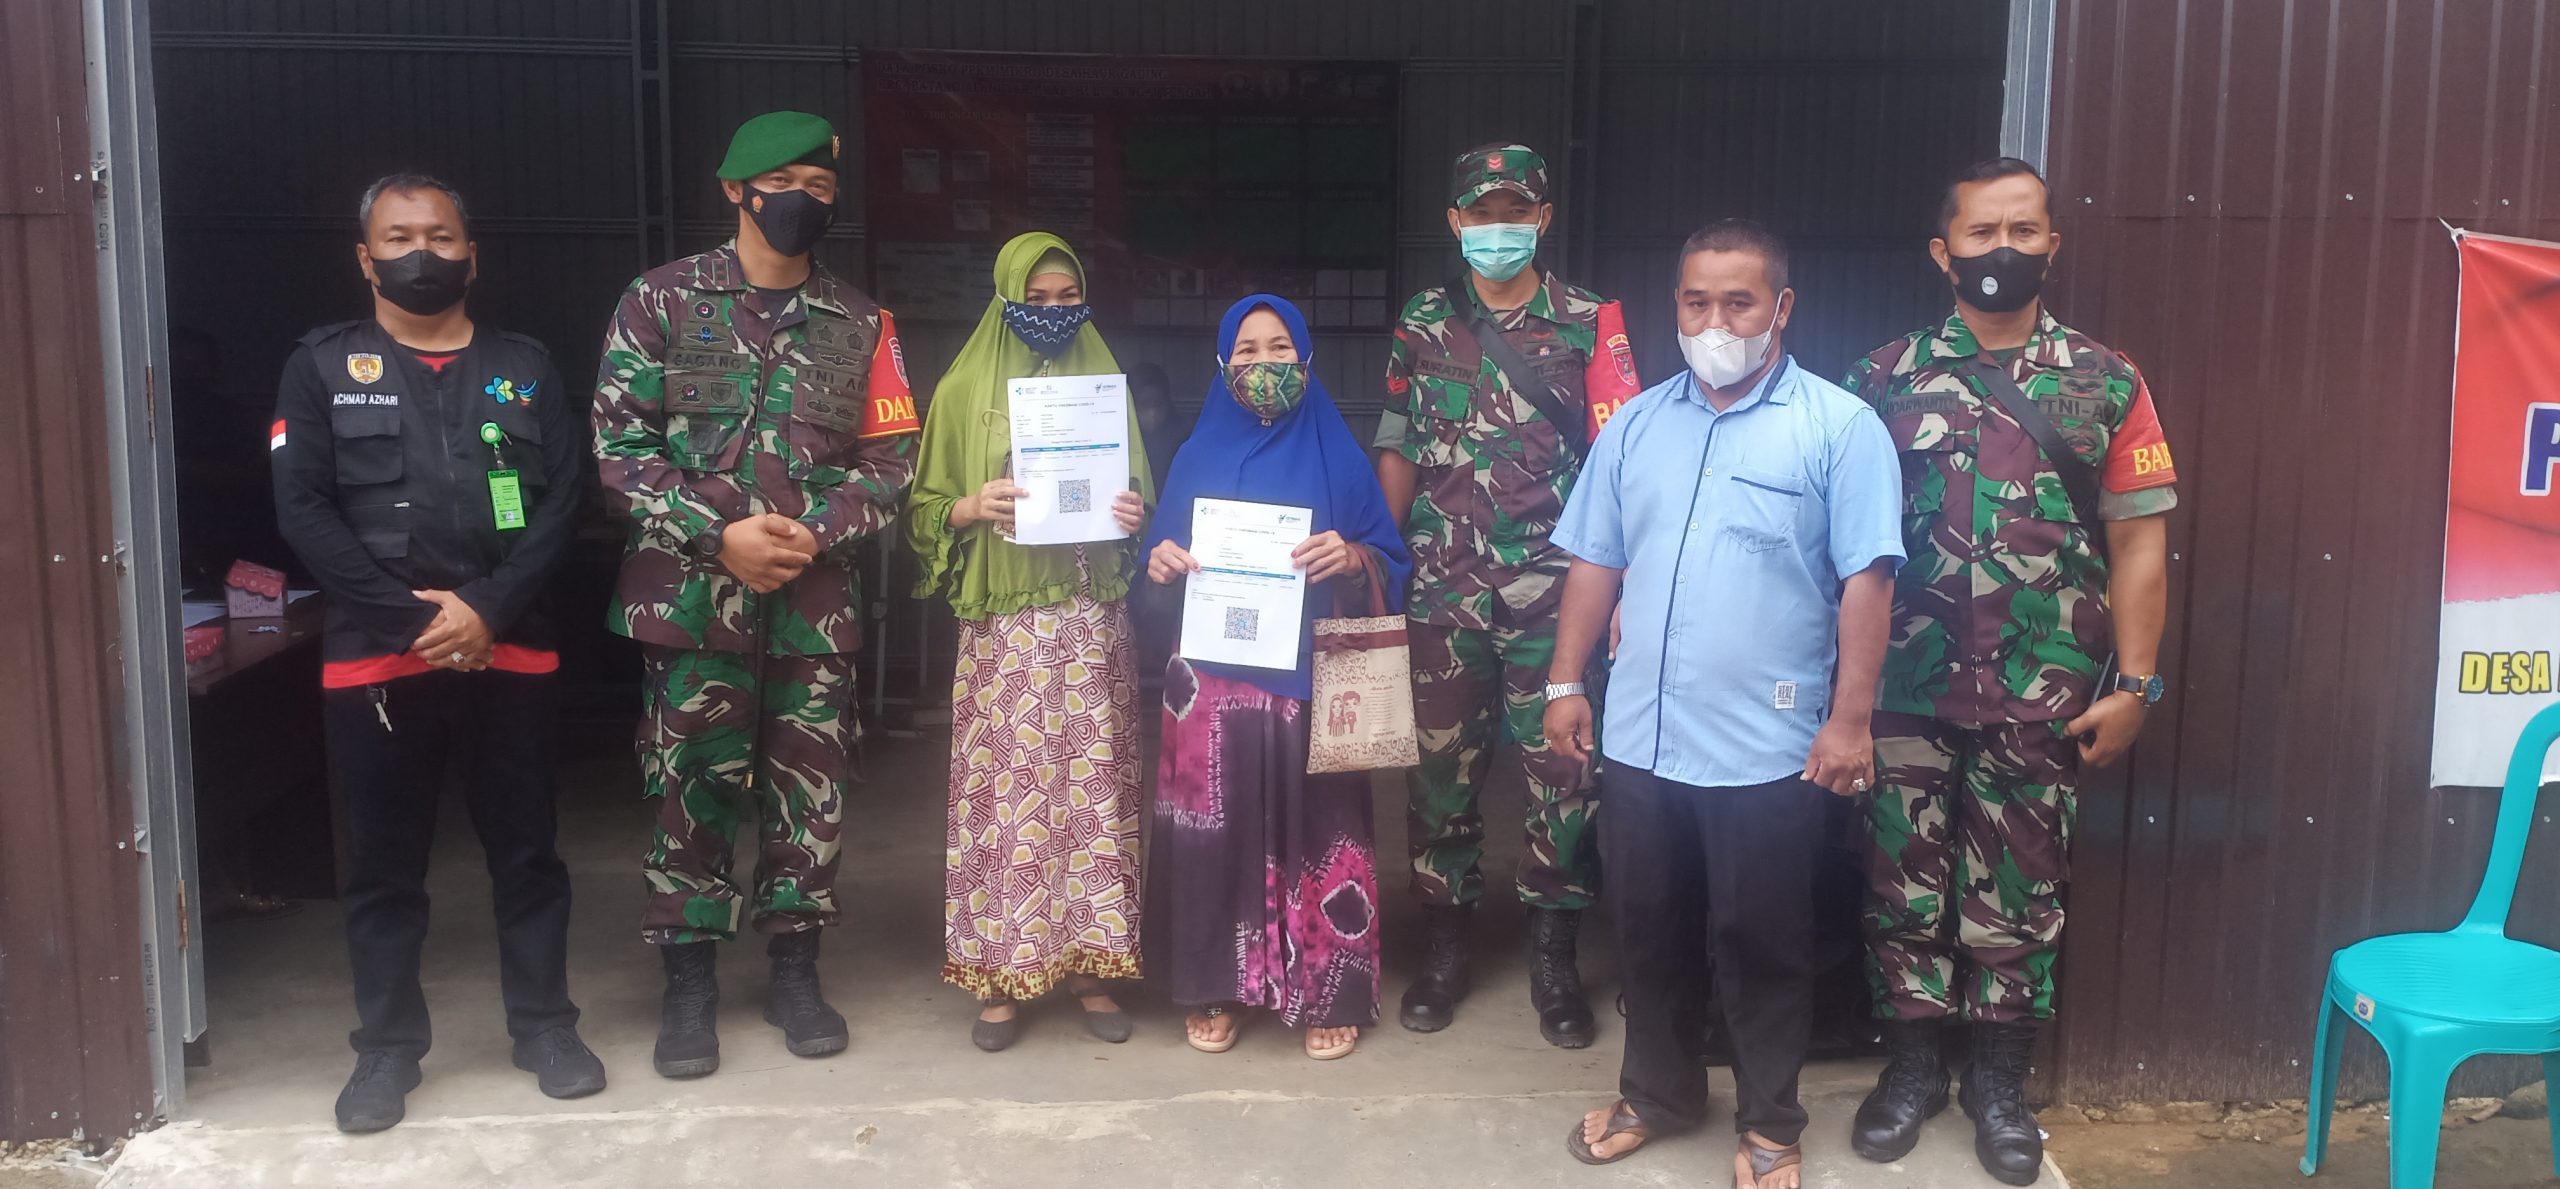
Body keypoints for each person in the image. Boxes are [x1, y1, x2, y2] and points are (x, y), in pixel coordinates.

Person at [1844, 158, 2178, 1187]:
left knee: (2019, 892)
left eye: (2023, 230)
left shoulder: (2105, 380)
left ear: (2052, 243)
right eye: (1982, 232)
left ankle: (1998, 1083)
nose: (2004, 249)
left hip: (2045, 693)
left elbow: (2139, 544)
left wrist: (2135, 685)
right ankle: (1911, 1069)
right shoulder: (1878, 379)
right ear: (1941, 251)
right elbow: (1837, 546)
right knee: (1900, 884)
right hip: (1902, 690)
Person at [1546, 221, 1902, 1187]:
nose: (1716, 322)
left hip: (1769, 747)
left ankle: (1771, 1121)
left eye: (1739, 302)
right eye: (1697, 301)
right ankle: (1658, 1092)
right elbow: (1596, 561)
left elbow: (1867, 581)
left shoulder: (1838, 427)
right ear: (1675, 305)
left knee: (1764, 943)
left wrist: (1851, 720)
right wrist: (1566, 681)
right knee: (1648, 930)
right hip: (1643, 738)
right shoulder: (1636, 426)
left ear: (1781, 308)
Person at [593, 111, 920, 1079]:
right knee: (687, 787)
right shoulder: (659, 301)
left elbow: (893, 459)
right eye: (782, 184)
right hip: (692, 601)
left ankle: (795, 969)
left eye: (819, 188)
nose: (801, 201)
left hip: (813, 605)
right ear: (736, 190)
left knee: (810, 791)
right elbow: (619, 449)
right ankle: (688, 981)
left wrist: (815, 530)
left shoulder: (864, 323)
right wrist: (718, 532)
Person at [272, 174, 599, 1132]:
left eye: (442, 235)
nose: (424, 252)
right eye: (400, 236)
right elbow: (303, 509)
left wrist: (487, 607)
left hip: (509, 648)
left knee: (528, 853)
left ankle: (545, 1027)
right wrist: (410, 620)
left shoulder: (524, 366)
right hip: (378, 658)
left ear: (472, 253)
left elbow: (564, 501)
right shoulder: (321, 367)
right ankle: (385, 1050)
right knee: (383, 866)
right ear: (365, 257)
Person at [1375, 142, 1624, 1046]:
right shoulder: (1423, 321)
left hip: (1556, 599)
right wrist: (1381, 565)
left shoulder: (1591, 322)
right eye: (1481, 213)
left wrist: (1622, 587)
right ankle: (1445, 945)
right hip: (1442, 596)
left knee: (1565, 777)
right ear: (1455, 222)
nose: (1497, 226)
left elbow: (1621, 462)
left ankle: (1554, 954)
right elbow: (1399, 445)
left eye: (1514, 210)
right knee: (1439, 776)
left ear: (1542, 218)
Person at [1143, 295, 1411, 1062]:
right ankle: (1217, 984)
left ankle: (1330, 989)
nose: (1265, 363)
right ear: (1223, 365)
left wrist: (1352, 557)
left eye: (1280, 348)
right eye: (1249, 351)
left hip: (1309, 679)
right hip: (1212, 689)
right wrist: (1159, 564)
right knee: (1215, 831)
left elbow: (1391, 560)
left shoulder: (1338, 456)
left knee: (1321, 827)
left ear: (1306, 359)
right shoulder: (1195, 457)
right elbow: (1152, 575)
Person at [906, 232, 1152, 1051]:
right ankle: (1000, 973)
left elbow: (1140, 496)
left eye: (1066, 297)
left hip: (1090, 622)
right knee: (1007, 792)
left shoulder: (1103, 386)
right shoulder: (963, 388)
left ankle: (1091, 963)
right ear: (1006, 297)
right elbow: (921, 510)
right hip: (1006, 626)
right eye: (1035, 298)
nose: (1052, 311)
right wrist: (971, 506)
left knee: (1091, 790)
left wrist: (1133, 511)